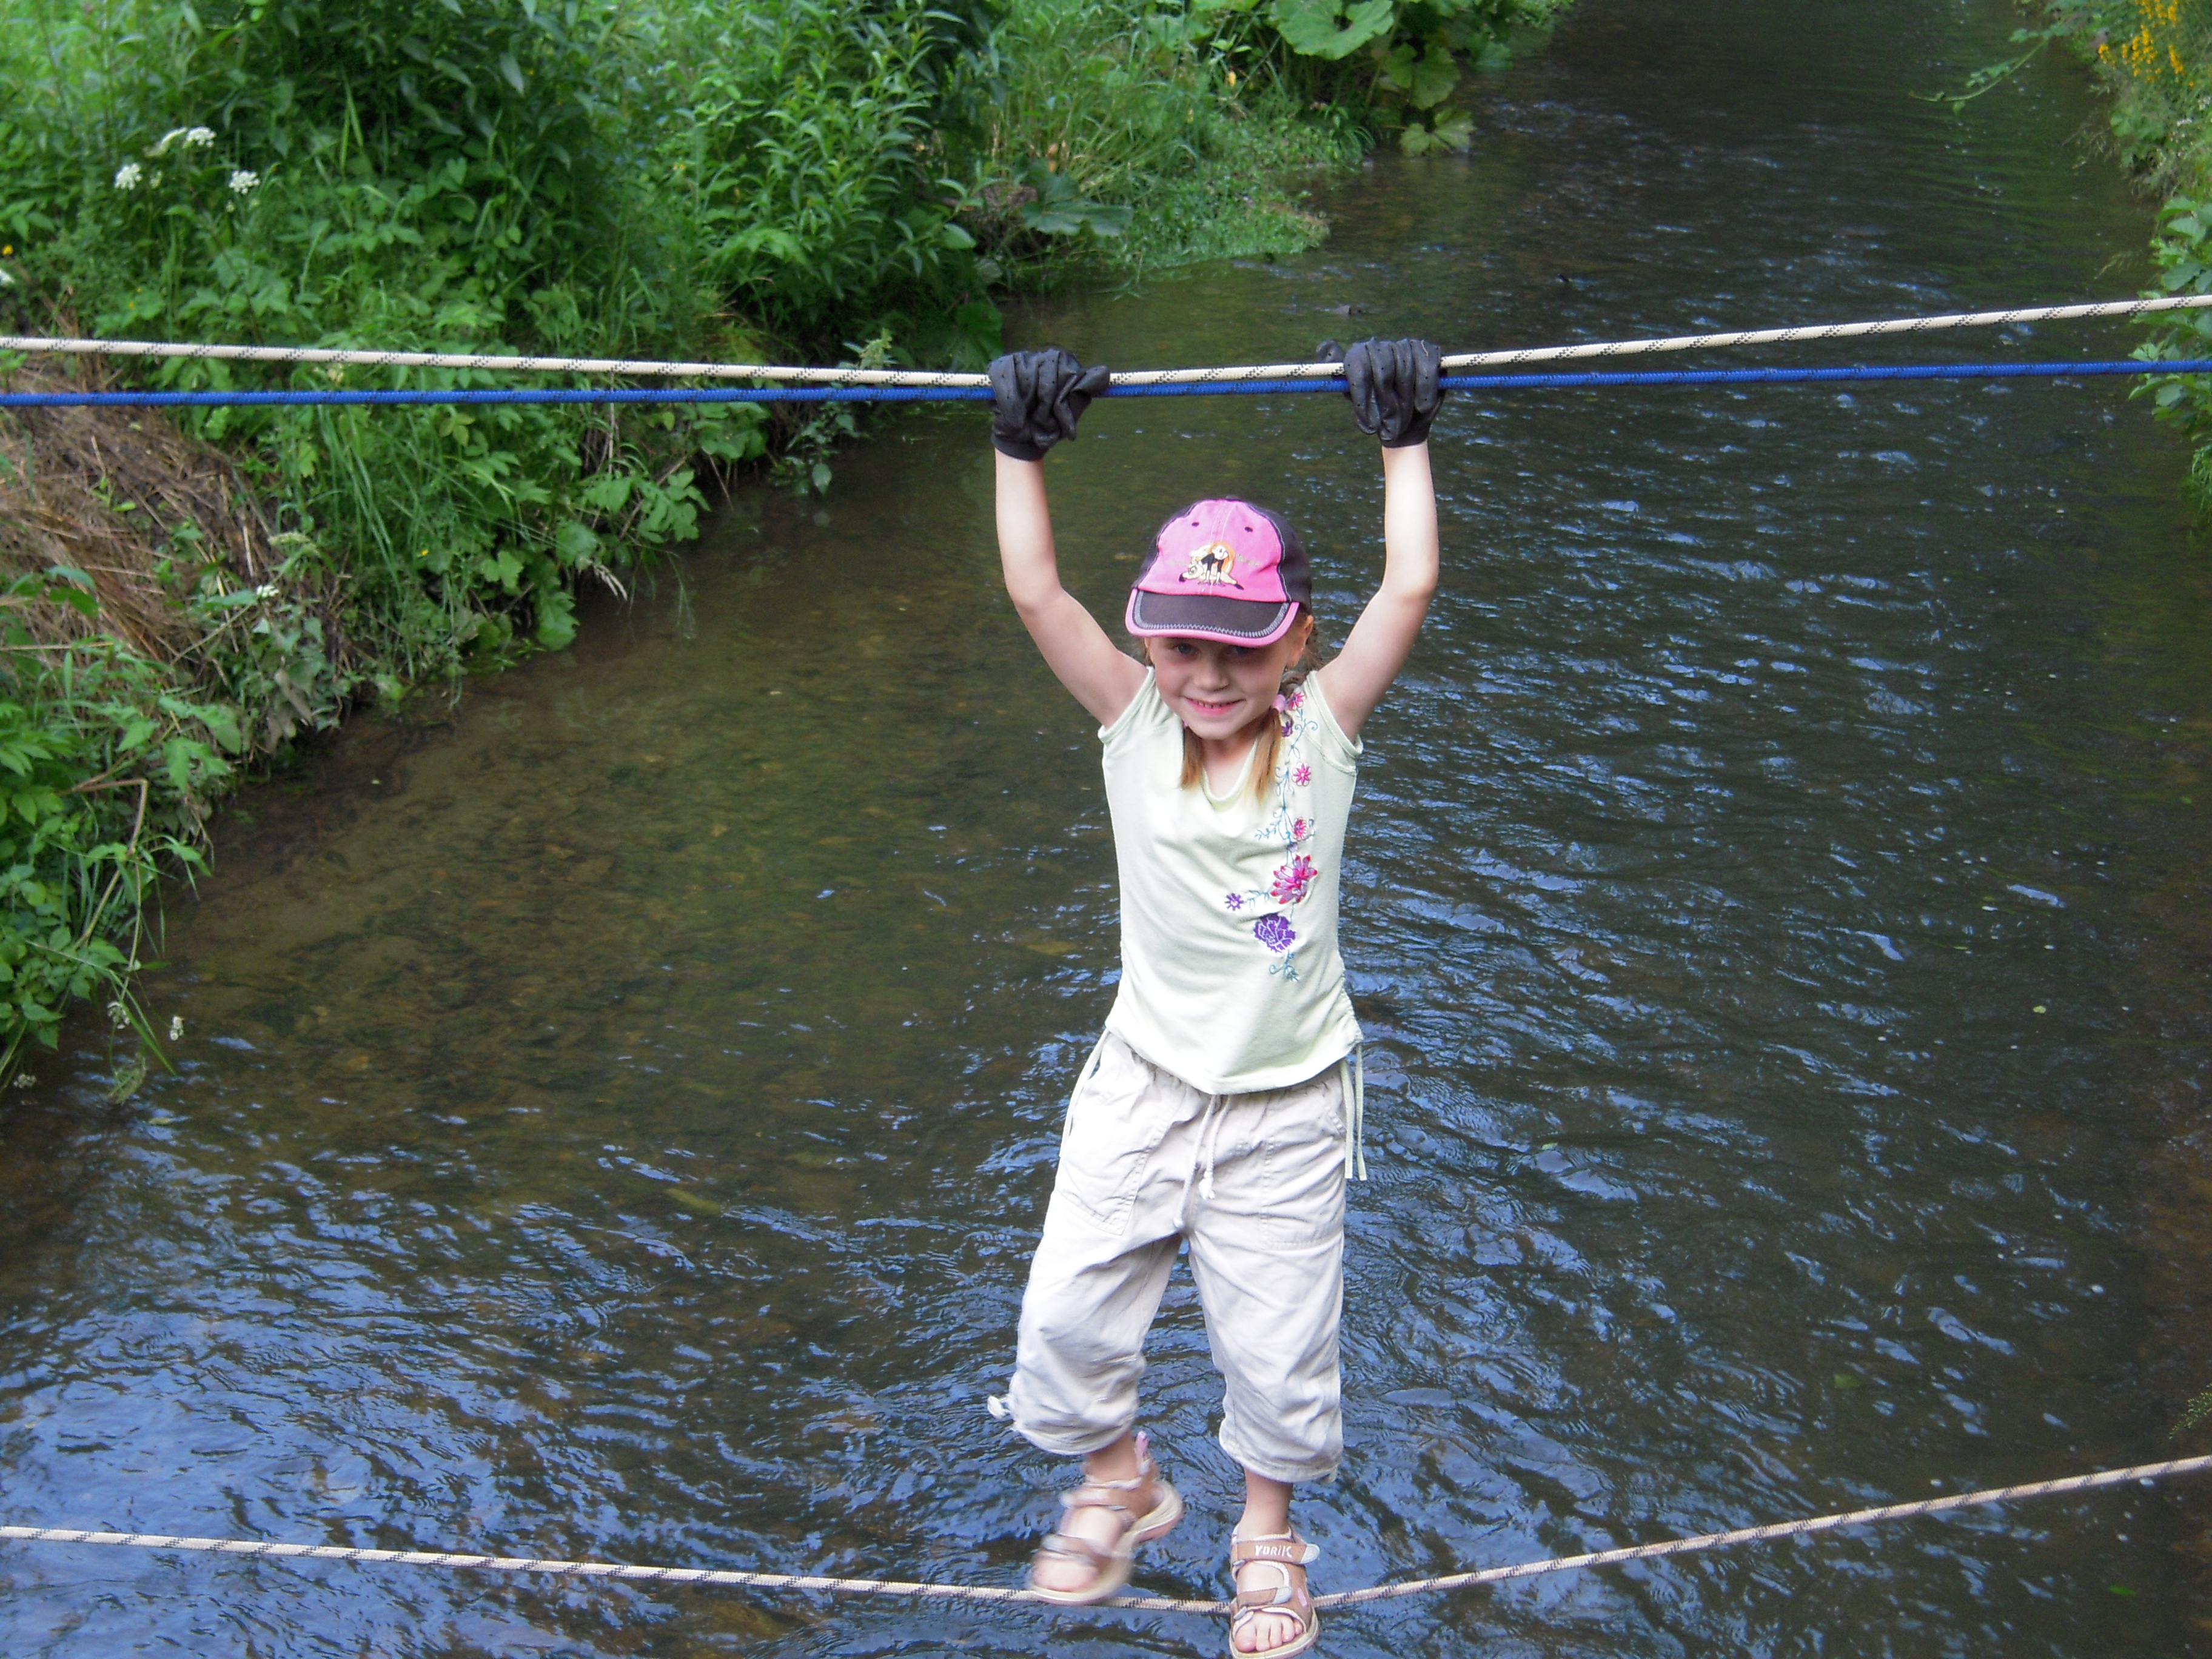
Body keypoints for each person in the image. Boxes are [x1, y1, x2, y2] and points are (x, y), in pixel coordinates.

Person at [985, 339, 1444, 1659]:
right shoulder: (1132, 723)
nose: (1208, 675)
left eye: (1241, 648)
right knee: (1064, 1318)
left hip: (1287, 1104)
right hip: (1143, 1080)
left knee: (1280, 1359)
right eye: (1183, 647)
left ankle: (1264, 1538)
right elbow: (1034, 589)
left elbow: (1410, 584)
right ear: (1150, 641)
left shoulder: (1323, 731)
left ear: (1294, 640)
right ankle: (1120, 1478)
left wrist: (1401, 438)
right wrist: (1018, 449)